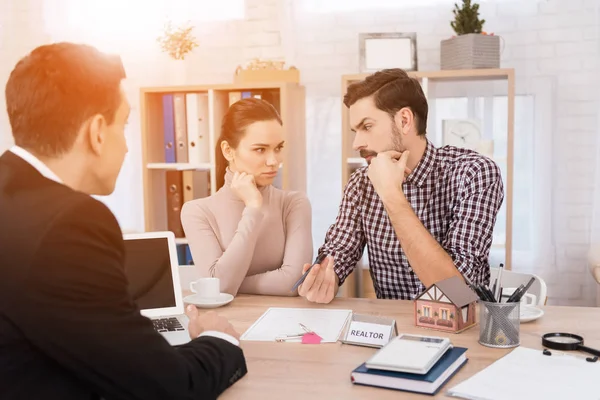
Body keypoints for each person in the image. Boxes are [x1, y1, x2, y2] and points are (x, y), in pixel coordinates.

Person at [0, 42, 246, 400]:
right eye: (124, 124)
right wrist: (219, 337)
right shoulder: (70, 224)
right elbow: (169, 387)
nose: (128, 146)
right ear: (97, 132)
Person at [298, 68, 504, 303]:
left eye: (367, 126)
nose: (356, 143)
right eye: (355, 131)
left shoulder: (474, 173)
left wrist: (391, 194)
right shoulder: (361, 184)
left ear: (404, 121)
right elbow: (339, 251)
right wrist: (324, 279)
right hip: (395, 332)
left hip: (462, 328)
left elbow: (456, 292)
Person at [181, 98, 313, 296]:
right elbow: (220, 287)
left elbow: (294, 282)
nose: (273, 161)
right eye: (260, 149)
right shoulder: (197, 211)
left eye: (278, 148)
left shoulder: (294, 204)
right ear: (228, 151)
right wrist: (252, 209)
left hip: (284, 322)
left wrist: (229, 283)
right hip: (227, 323)